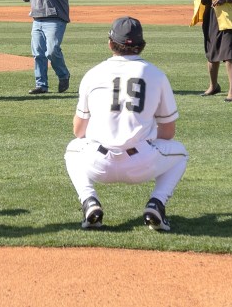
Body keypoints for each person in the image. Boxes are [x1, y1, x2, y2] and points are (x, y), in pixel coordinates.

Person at [64, 17, 188, 231]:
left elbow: (78, 130)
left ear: (110, 43)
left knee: (72, 149)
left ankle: (89, 201)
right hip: (141, 164)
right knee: (181, 154)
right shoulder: (156, 75)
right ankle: (156, 203)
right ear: (142, 45)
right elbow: (168, 132)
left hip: (98, 163)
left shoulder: (93, 74)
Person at [18, 0, 72, 95]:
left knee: (52, 51)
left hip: (54, 18)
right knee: (38, 54)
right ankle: (41, 85)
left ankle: (64, 75)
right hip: (37, 19)